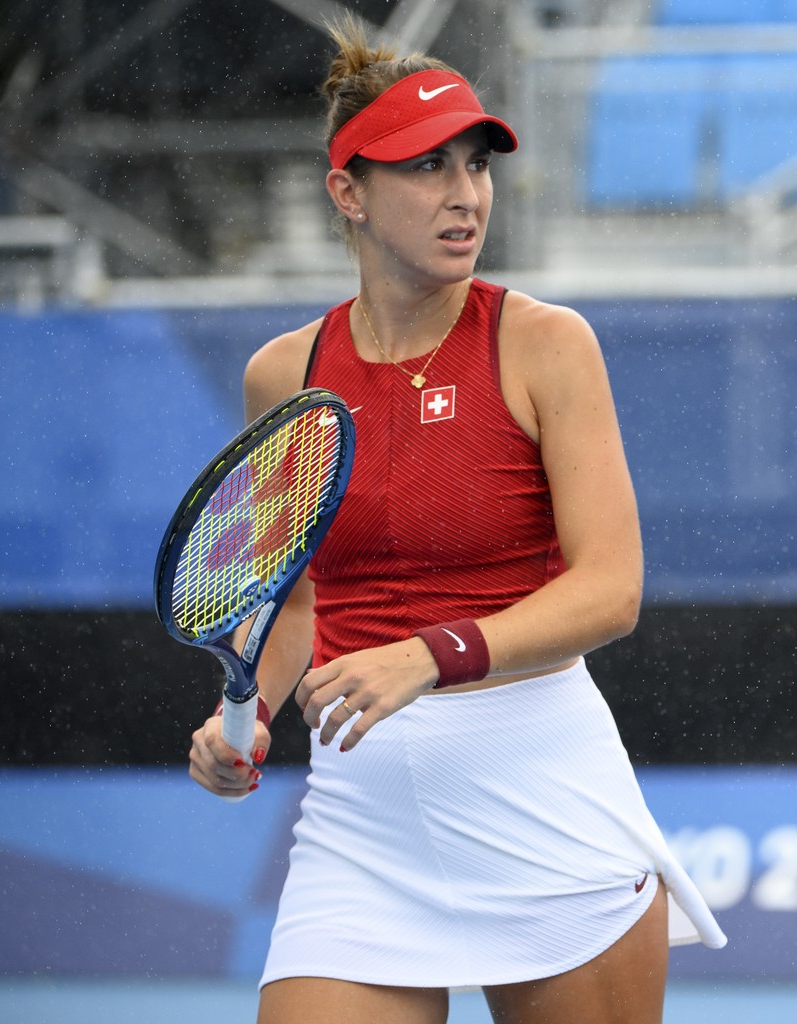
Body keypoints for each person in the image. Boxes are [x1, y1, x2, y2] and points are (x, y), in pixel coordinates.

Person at [185, 19, 725, 1024]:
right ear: (348, 192)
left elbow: (611, 589)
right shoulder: (285, 376)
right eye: (426, 168)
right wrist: (249, 714)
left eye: (474, 165)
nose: (464, 193)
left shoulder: (546, 345)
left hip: (543, 799)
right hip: (363, 821)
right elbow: (293, 598)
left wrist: (430, 653)